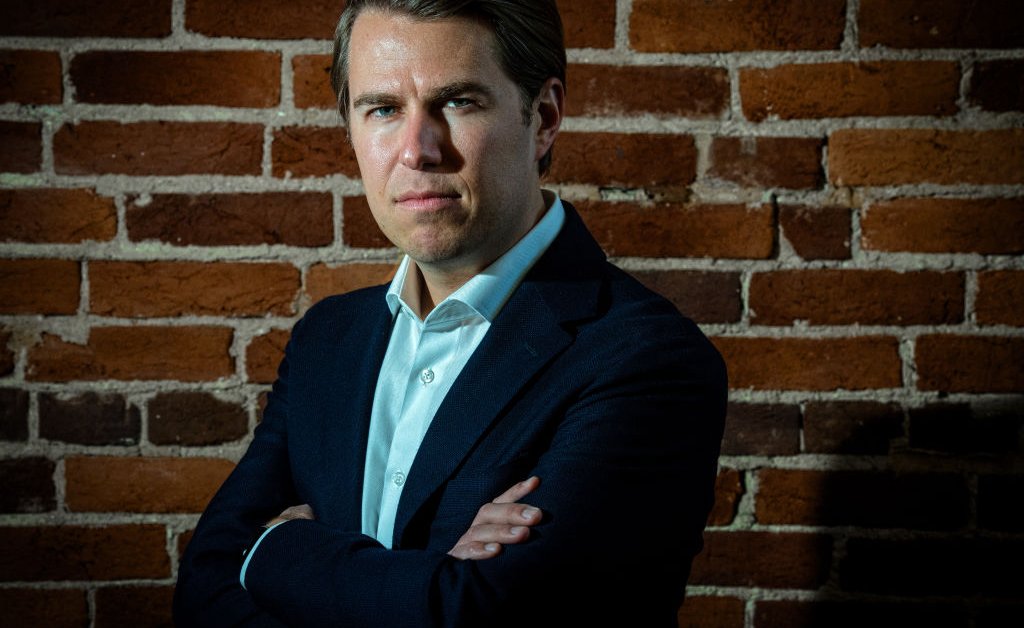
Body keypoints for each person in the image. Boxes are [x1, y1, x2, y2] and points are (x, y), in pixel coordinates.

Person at [173, 1, 727, 626]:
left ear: (543, 118)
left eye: (459, 102)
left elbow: (479, 615)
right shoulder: (327, 339)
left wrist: (274, 551)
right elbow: (205, 587)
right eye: (383, 109)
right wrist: (432, 580)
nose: (417, 150)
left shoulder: (649, 360)